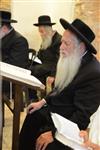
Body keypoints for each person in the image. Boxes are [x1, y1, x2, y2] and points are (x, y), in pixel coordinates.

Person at [19, 18, 100, 150]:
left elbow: (81, 116)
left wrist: (53, 133)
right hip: (55, 111)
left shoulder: (94, 73)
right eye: (62, 42)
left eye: (66, 44)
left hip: (67, 124)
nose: (61, 48)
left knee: (45, 144)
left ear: (81, 47)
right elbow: (59, 87)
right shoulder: (70, 58)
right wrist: (43, 101)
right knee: (31, 115)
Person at [29, 15, 61, 100]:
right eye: (40, 32)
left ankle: (34, 98)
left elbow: (60, 60)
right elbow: (41, 54)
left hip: (53, 67)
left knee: (33, 71)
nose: (41, 34)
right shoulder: (46, 38)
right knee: (28, 67)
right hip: (44, 66)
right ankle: (33, 97)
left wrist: (54, 75)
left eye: (42, 32)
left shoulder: (59, 40)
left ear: (47, 29)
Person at [0, 10, 29, 97]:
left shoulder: (19, 41)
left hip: (10, 80)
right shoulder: (3, 36)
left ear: (4, 28)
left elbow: (15, 66)